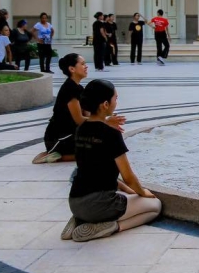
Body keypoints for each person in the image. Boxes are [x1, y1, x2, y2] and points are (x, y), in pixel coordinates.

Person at [63, 80, 161, 243]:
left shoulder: (81, 129)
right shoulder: (111, 134)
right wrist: (142, 193)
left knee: (127, 199)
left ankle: (80, 221)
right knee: (155, 207)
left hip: (74, 202)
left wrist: (129, 191)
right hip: (99, 205)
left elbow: (95, 168)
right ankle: (110, 226)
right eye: (115, 98)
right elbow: (128, 176)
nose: (117, 102)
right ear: (106, 104)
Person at [32, 53, 98, 164]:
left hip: (71, 134)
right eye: (82, 64)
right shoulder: (70, 89)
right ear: (72, 69)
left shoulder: (79, 88)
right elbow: (79, 119)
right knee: (96, 153)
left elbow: (88, 115)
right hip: (58, 139)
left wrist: (104, 120)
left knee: (103, 141)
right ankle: (55, 155)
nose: (86, 66)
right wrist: (104, 121)